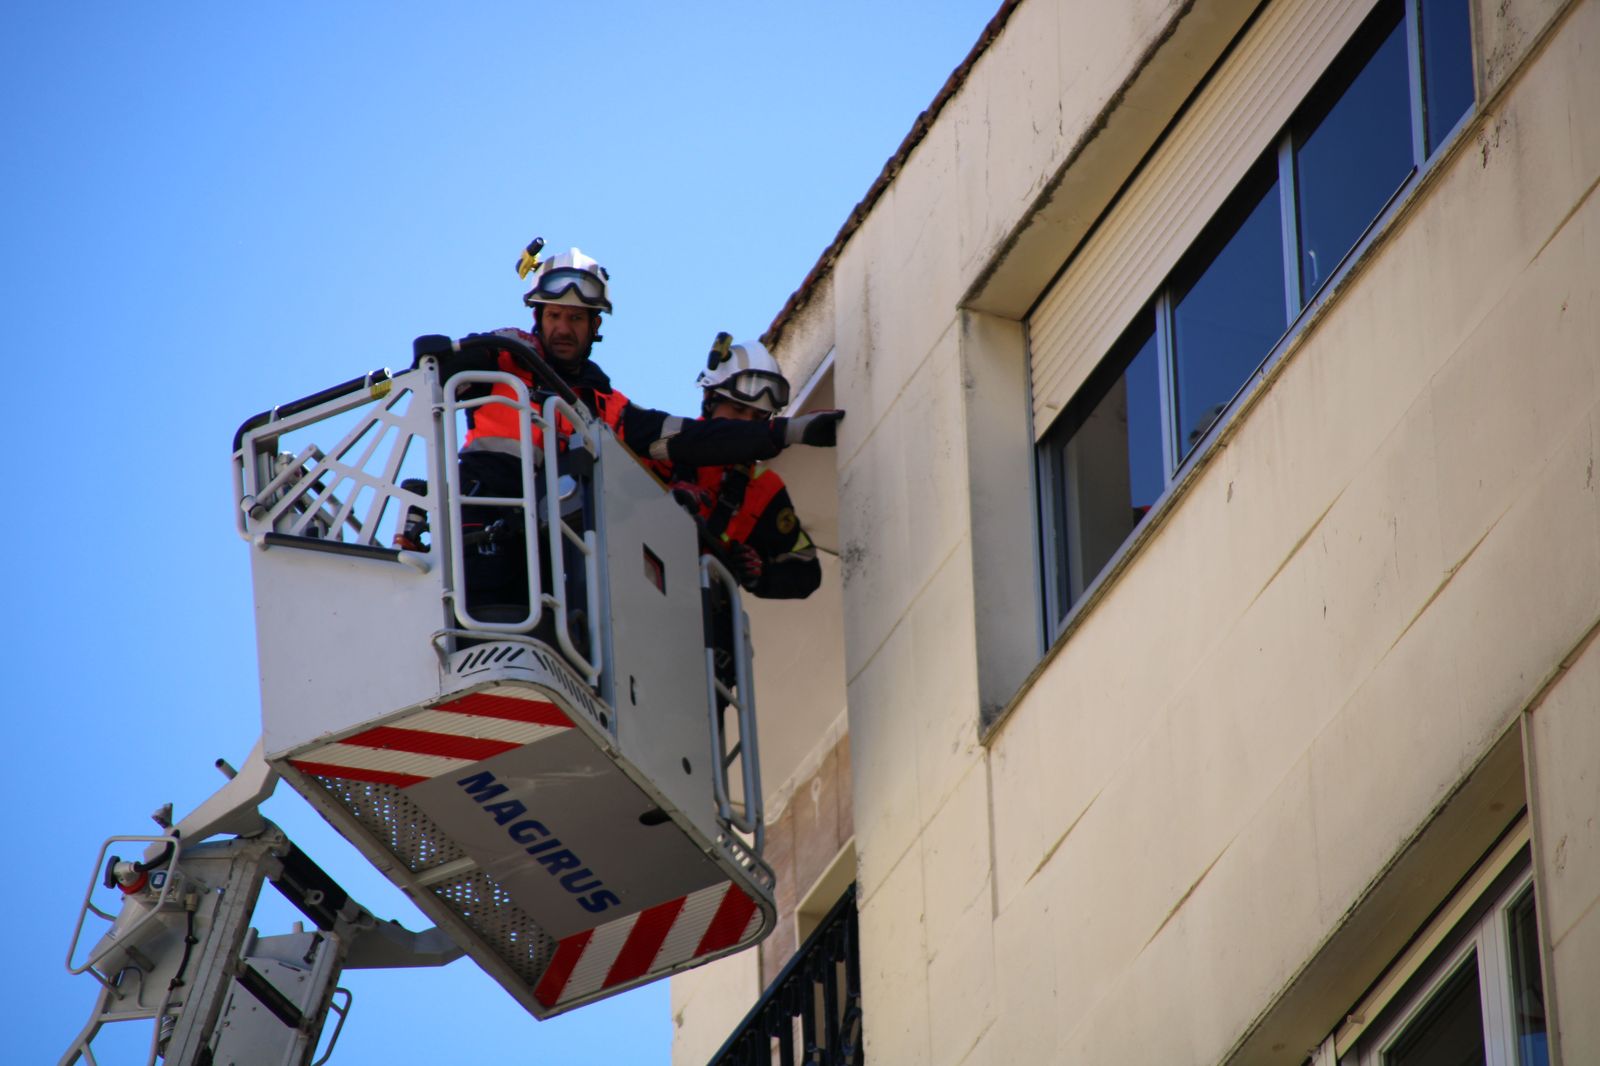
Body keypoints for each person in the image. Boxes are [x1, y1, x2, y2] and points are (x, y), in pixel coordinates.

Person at [411, 246, 843, 616]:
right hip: (485, 511)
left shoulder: (610, 409)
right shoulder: (502, 357)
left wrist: (791, 433)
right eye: (556, 314)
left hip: (555, 551)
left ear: (595, 326)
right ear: (538, 316)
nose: (564, 328)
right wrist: (444, 355)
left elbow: (694, 439)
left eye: (578, 319)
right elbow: (440, 374)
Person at [662, 337, 821, 600]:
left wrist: (760, 574)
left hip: (705, 619)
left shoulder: (764, 489)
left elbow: (806, 569)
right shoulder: (667, 443)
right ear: (709, 398)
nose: (747, 426)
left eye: (758, 418)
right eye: (738, 409)